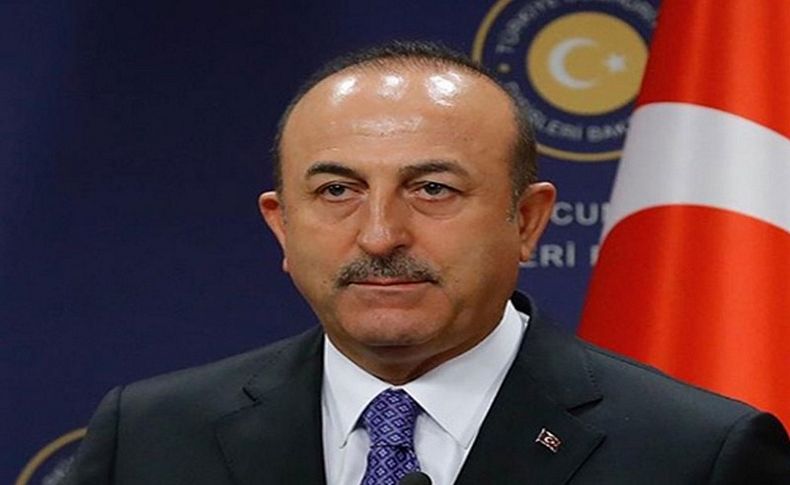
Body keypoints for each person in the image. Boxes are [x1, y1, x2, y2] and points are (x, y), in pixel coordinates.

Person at [64, 41, 789, 485]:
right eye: (338, 191)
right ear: (281, 225)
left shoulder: (696, 455)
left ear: (527, 221)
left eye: (432, 189)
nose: (380, 235)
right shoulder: (151, 437)